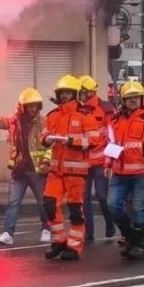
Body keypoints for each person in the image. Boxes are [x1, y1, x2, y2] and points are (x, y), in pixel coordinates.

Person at [41, 74, 100, 261]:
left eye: (67, 93)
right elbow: (43, 136)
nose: (64, 96)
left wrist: (71, 141)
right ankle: (58, 241)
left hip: (76, 173)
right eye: (62, 93)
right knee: (49, 206)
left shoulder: (85, 116)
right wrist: (46, 139)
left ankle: (74, 246)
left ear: (74, 94)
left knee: (75, 210)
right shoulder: (52, 116)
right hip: (55, 172)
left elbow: (94, 140)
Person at [107, 81, 144, 260]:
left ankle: (139, 244)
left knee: (139, 208)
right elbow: (110, 143)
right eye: (129, 98)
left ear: (141, 99)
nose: (132, 101)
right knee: (113, 206)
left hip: (141, 173)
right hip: (118, 173)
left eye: (135, 97)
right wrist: (107, 165)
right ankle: (131, 237)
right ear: (123, 100)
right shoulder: (116, 120)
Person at [0, 87, 51, 246]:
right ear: (22, 106)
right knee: (12, 202)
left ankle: (46, 229)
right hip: (19, 171)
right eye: (30, 105)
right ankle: (8, 233)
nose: (33, 109)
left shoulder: (44, 122)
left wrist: (47, 161)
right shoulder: (14, 121)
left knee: (42, 202)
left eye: (35, 105)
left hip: (38, 170)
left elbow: (50, 146)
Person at [78, 76, 116, 243]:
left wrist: (111, 161)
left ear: (89, 92)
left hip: (101, 161)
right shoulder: (78, 110)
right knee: (83, 199)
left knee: (102, 196)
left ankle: (109, 222)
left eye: (82, 91)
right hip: (84, 162)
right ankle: (89, 233)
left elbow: (112, 136)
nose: (80, 94)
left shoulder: (105, 108)